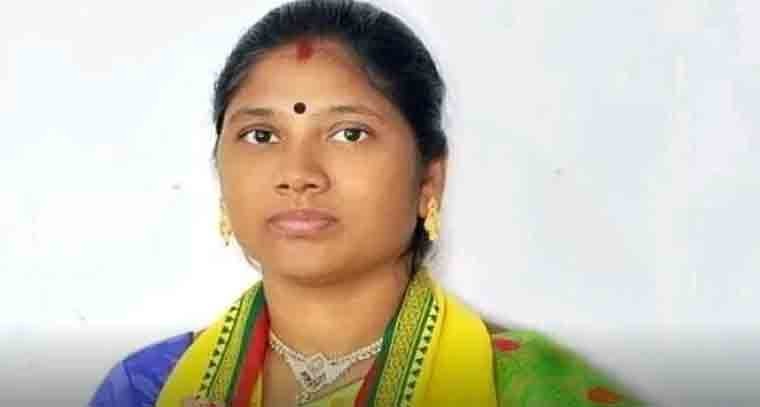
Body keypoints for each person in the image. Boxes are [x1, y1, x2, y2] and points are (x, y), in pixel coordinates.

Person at [89, 1, 645, 406]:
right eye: (261, 135)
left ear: (430, 180)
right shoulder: (145, 388)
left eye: (349, 133)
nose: (298, 174)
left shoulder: (530, 388)